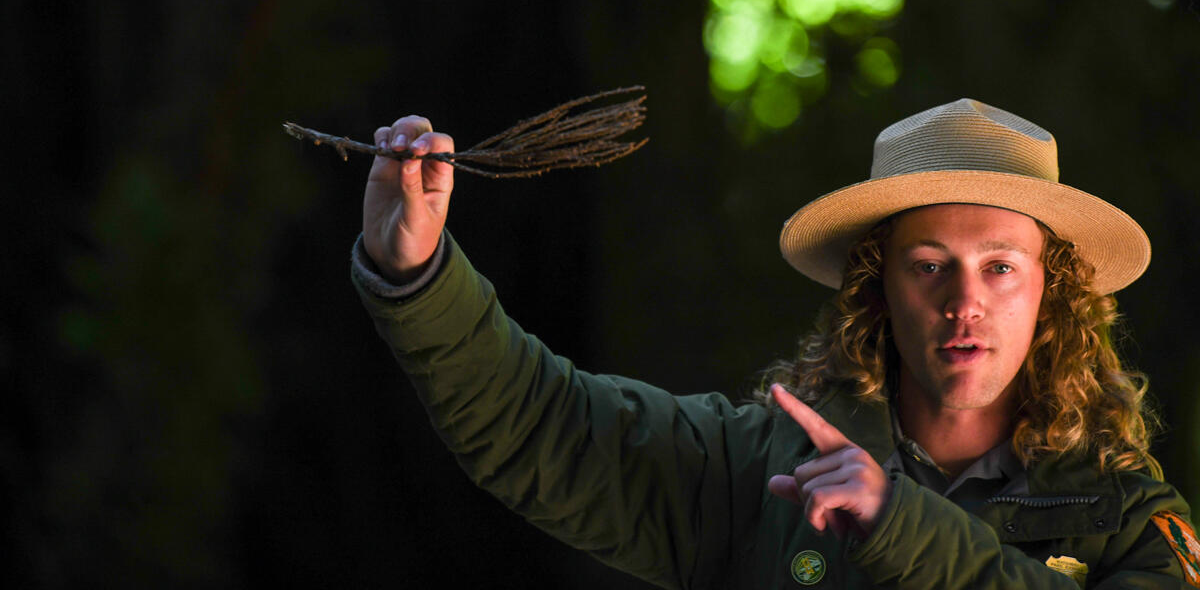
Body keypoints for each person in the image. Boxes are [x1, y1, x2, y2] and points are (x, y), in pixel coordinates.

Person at [350, 98, 1200, 588]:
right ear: (877, 287)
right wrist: (417, 272)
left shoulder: (1125, 517)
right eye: (931, 266)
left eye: (1002, 268)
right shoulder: (763, 472)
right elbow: (544, 428)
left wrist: (899, 522)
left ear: (1053, 291)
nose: (964, 302)